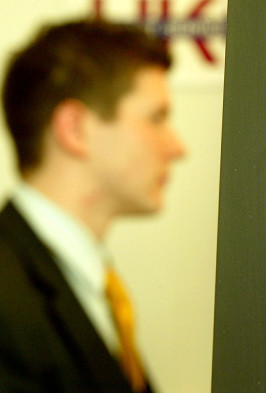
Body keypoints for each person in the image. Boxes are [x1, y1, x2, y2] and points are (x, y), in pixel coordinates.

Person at [0, 20, 185, 392]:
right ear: (75, 129)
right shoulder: (8, 299)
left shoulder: (83, 282)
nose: (178, 147)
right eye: (156, 118)